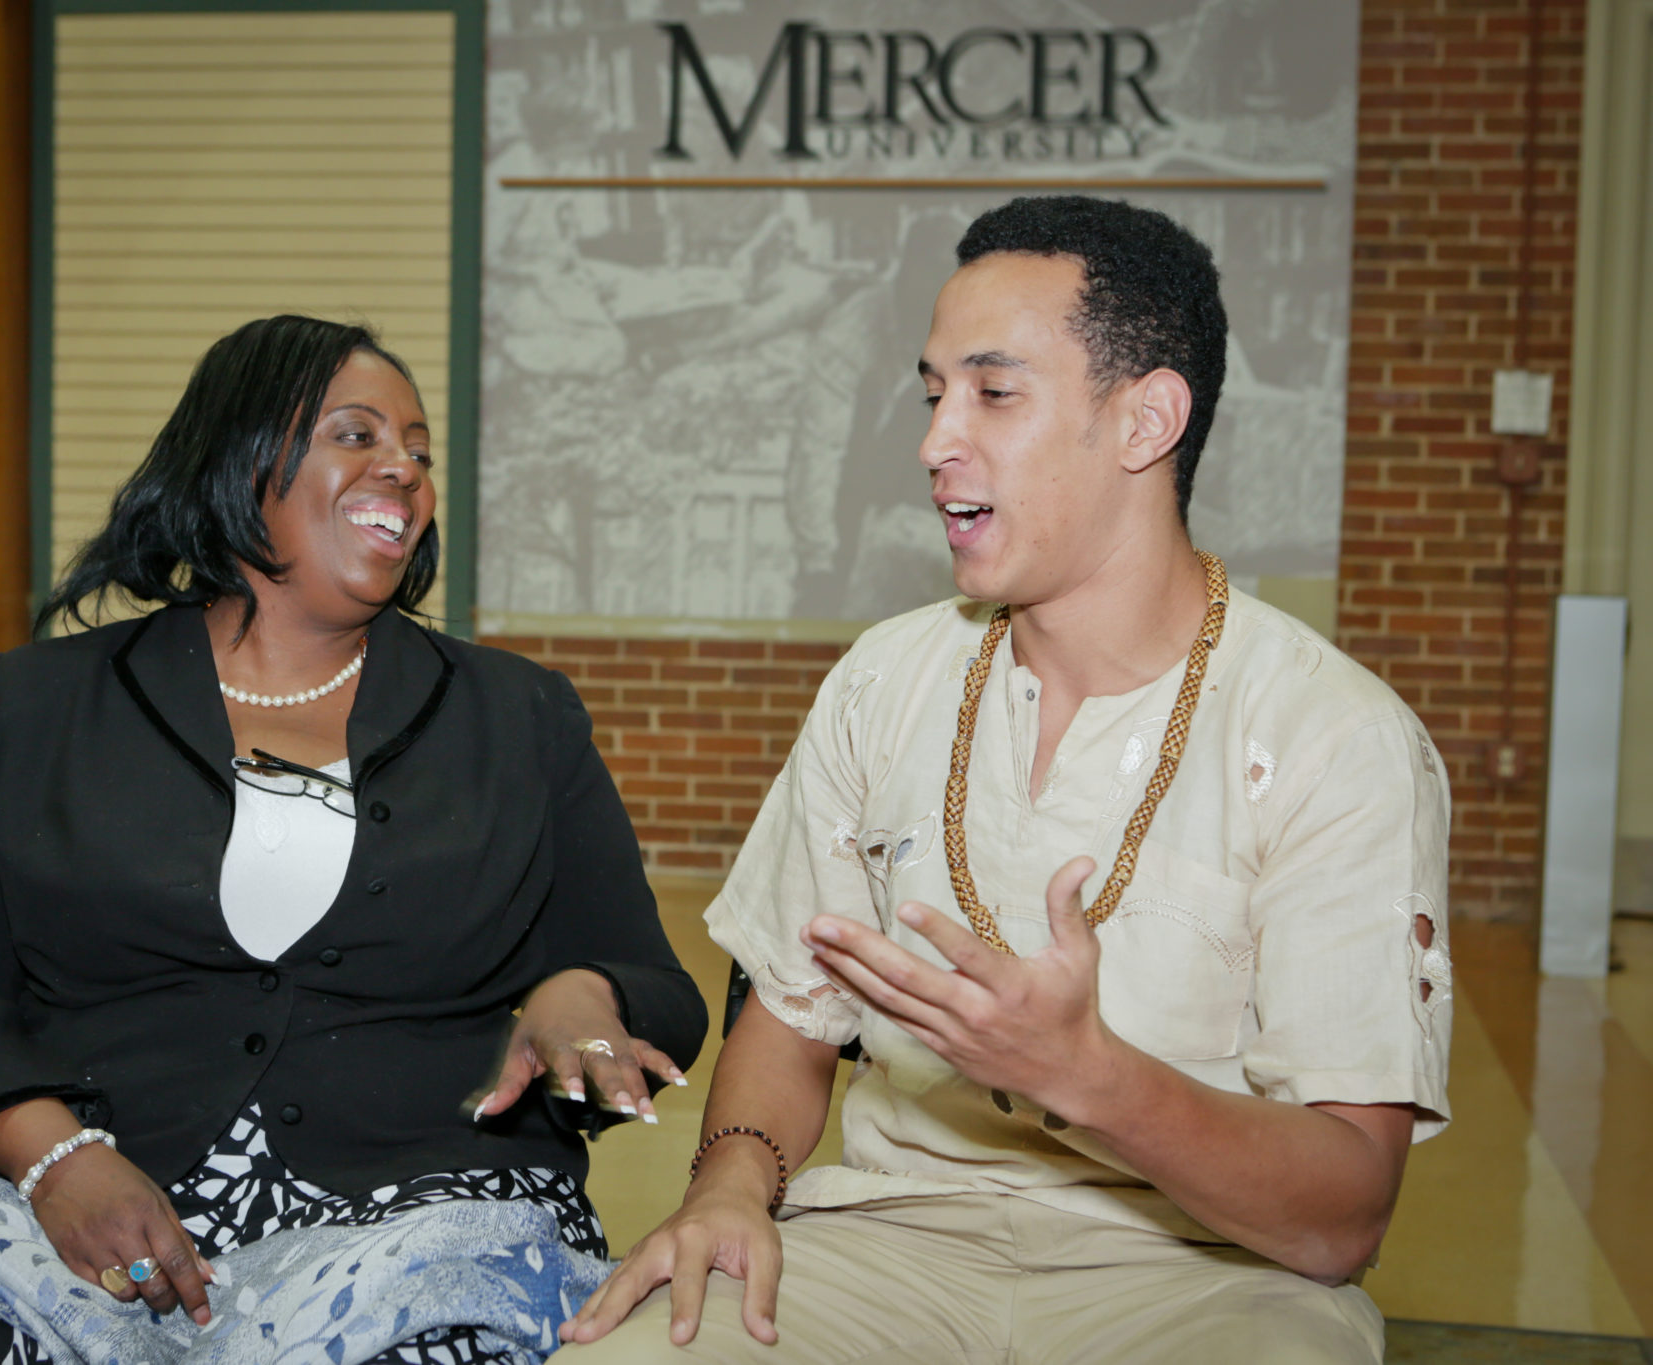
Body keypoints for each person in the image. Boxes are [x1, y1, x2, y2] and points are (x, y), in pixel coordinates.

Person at [0, 315, 706, 1365]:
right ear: (236, 459)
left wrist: (583, 994)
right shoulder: (35, 706)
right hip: (69, 1202)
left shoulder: (518, 716)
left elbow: (653, 982)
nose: (402, 470)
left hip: (420, 1217)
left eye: (417, 449)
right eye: (356, 435)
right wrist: (53, 1158)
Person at [559, 196, 1451, 1364]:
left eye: (992, 392)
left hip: (1206, 1279)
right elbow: (787, 1025)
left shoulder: (1333, 737)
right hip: (889, 1244)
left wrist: (1090, 1080)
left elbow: (1340, 1217)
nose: (935, 440)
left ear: (1144, 419)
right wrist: (729, 1186)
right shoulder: (887, 682)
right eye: (933, 393)